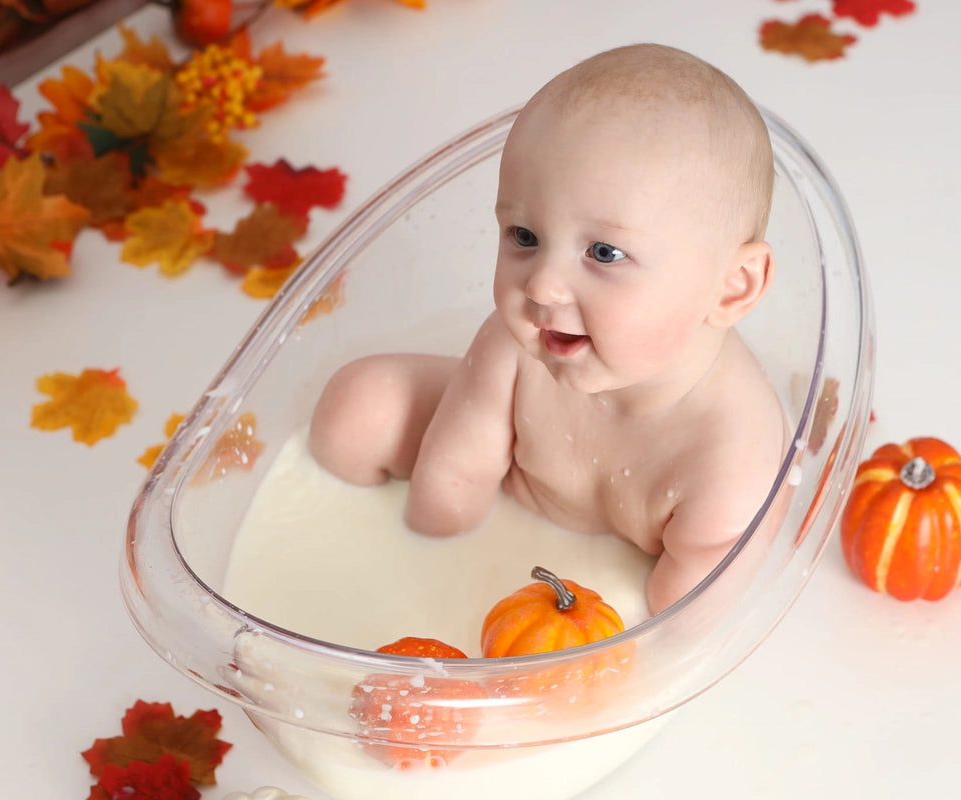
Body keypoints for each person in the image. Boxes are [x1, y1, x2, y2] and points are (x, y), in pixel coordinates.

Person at [308, 43, 785, 614]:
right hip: (517, 487)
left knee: (687, 598)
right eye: (524, 237)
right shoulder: (523, 341)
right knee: (357, 409)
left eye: (604, 252)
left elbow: (680, 627)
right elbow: (454, 472)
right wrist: (423, 570)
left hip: (588, 603)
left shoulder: (734, 452)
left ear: (732, 286)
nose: (541, 287)